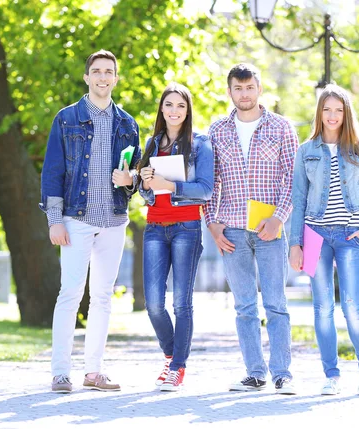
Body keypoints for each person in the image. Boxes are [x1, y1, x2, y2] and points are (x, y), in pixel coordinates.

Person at [39, 49, 141, 393]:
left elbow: (136, 177)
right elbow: (52, 172)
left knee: (102, 297)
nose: (102, 77)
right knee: (70, 294)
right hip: (75, 220)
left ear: (115, 78)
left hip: (114, 218)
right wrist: (55, 220)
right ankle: (60, 372)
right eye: (96, 71)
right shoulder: (66, 118)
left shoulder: (128, 124)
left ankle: (94, 371)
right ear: (87, 78)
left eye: (108, 71)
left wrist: (131, 181)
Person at [205, 63, 299, 395]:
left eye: (249, 88)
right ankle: (255, 373)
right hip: (230, 230)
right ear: (229, 92)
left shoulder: (282, 127)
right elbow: (210, 182)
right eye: (238, 89)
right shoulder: (216, 131)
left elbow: (293, 178)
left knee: (276, 302)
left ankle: (283, 373)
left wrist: (280, 218)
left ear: (259, 88)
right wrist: (212, 224)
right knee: (245, 305)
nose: (244, 94)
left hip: (269, 229)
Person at [289, 84, 359, 396]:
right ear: (319, 113)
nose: (332, 115)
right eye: (327, 110)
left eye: (338, 110)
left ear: (346, 113)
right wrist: (295, 243)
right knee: (322, 307)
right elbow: (298, 199)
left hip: (350, 235)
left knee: (353, 306)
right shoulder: (307, 151)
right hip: (315, 236)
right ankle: (331, 375)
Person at [137, 83, 214, 392]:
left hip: (186, 228)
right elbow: (144, 191)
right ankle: (172, 354)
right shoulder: (153, 143)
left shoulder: (200, 144)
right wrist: (143, 181)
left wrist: (171, 185)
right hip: (155, 227)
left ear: (188, 110)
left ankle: (178, 367)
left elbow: (205, 189)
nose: (174, 111)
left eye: (180, 105)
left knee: (182, 303)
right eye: (169, 104)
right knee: (154, 304)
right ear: (162, 109)